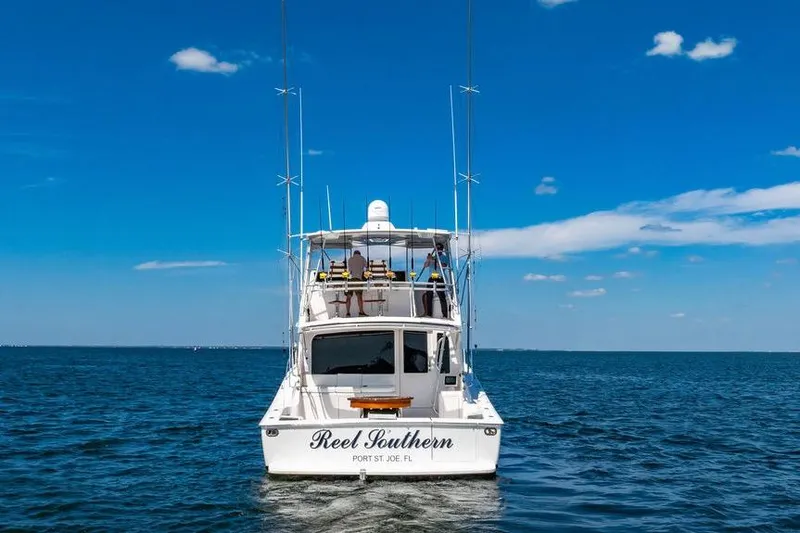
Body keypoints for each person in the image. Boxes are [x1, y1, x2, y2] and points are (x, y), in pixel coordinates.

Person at [423, 243, 449, 318]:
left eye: (439, 249)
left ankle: (444, 315)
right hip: (431, 277)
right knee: (429, 295)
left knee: (441, 296)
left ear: (442, 249)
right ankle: (429, 314)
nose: (438, 250)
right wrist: (428, 259)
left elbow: (444, 266)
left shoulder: (444, 257)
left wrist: (434, 261)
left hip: (439, 277)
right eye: (436, 249)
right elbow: (425, 266)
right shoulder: (432, 257)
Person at [345, 250, 367, 317]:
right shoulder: (363, 258)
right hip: (358, 279)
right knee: (359, 296)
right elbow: (366, 268)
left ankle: (348, 313)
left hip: (350, 280)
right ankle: (361, 312)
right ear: (359, 254)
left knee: (348, 297)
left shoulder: (350, 259)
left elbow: (350, 271)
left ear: (354, 254)